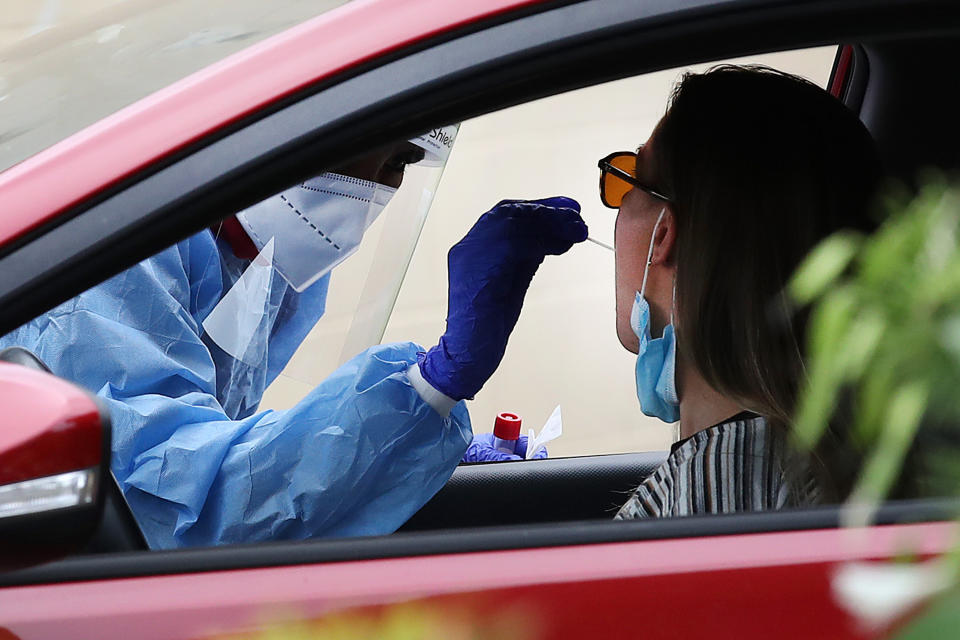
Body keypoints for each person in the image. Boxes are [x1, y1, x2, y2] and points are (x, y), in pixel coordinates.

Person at [0, 128, 585, 548]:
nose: (384, 185)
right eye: (386, 150)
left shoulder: (268, 271)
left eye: (405, 162)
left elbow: (220, 446)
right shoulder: (124, 256)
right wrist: (424, 393)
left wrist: (417, 444)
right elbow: (176, 512)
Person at [600, 65, 882, 518]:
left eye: (629, 180)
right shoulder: (832, 455)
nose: (617, 204)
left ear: (663, 235)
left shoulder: (725, 483)